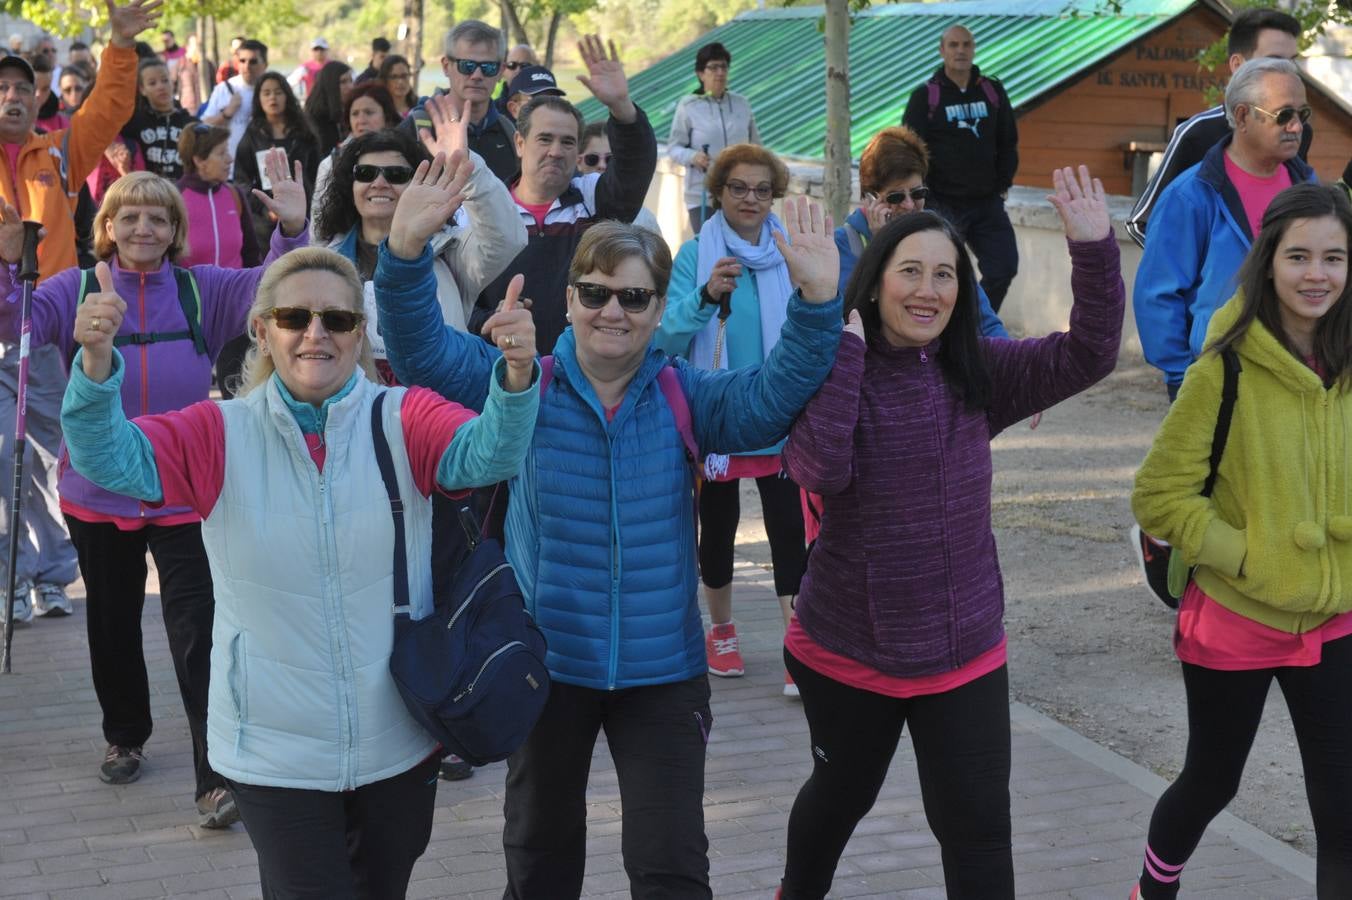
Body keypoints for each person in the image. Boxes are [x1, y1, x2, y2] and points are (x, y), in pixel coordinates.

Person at [375, 143, 844, 898]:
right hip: (546, 668)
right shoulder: (519, 382)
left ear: (660, 309)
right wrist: (401, 254)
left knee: (671, 869)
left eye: (633, 298)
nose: (612, 312)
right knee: (539, 861)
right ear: (570, 302)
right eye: (595, 294)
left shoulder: (686, 393)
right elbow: (420, 351)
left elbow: (774, 393)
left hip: (664, 675)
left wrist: (819, 306)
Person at [58, 195, 540, 894]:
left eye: (337, 319)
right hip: (271, 750)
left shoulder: (404, 416)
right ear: (262, 331)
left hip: (397, 737)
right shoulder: (218, 432)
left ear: (358, 330)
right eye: (294, 318)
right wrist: (97, 366)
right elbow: (110, 459)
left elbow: (485, 455)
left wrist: (516, 378)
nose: (316, 333)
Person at [775, 166, 1123, 899]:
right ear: (874, 282)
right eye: (910, 272)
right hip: (849, 650)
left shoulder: (979, 371)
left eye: (945, 275)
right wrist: (845, 350)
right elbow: (817, 470)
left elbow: (1088, 355)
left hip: (963, 653)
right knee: (839, 802)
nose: (928, 289)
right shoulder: (836, 366)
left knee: (978, 834)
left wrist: (1094, 250)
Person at [0, 154, 308, 825]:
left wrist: (291, 229)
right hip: (97, 492)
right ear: (106, 226)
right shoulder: (71, 287)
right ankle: (125, 735)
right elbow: (13, 325)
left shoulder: (203, 290)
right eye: (129, 215)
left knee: (200, 634)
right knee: (111, 627)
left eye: (158, 217)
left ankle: (217, 776)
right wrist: (3, 265)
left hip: (182, 491)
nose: (144, 227)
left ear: (174, 230)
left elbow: (280, 290)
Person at [1129, 182, 1352, 900]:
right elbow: (1158, 495)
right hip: (1238, 617)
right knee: (1212, 780)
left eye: (1334, 258)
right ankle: (1153, 890)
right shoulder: (1225, 361)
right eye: (1299, 257)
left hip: (1335, 616)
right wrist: (1243, 554)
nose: (1316, 274)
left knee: (1343, 807)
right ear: (1269, 261)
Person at [0, 0, 150, 625]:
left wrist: (119, 47)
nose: (12, 96)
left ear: (38, 100)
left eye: (22, 88)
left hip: (41, 336)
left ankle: (54, 577)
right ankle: (11, 579)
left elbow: (109, 108)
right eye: (1, 88)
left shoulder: (59, 154)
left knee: (48, 456)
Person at [654, 143, 810, 694]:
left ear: (775, 196)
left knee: (789, 530)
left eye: (762, 189)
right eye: (739, 188)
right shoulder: (696, 254)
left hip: (780, 414)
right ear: (718, 192)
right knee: (715, 530)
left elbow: (814, 323)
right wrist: (704, 294)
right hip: (717, 414)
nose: (751, 198)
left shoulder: (790, 252)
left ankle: (798, 640)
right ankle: (721, 629)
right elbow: (665, 335)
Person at [1133, 57, 1315, 400]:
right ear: (1243, 116)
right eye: (1284, 115)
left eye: (1302, 114)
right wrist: (1183, 375)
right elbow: (1157, 294)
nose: (1296, 127)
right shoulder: (1190, 196)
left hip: (1298, 372)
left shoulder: (1310, 190)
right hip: (1215, 377)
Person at [467, 34, 658, 356]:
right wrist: (487, 321)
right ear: (519, 143)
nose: (556, 151)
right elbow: (455, 295)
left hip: (578, 373)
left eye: (568, 142)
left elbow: (634, 169)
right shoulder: (484, 208)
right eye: (545, 139)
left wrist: (621, 108)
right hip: (495, 369)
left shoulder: (594, 200)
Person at [314, 120, 526, 380]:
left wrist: (467, 168)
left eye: (396, 175)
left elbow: (507, 237)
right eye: (366, 173)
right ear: (350, 184)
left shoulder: (449, 253)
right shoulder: (325, 261)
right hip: (352, 411)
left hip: (437, 410)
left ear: (420, 184)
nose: (379, 183)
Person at [1126, 8, 1307, 248]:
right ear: (1237, 64)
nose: (1288, 72)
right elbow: (1141, 223)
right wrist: (1192, 277)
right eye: (1274, 61)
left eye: (1292, 61)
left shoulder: (1300, 131)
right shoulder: (1198, 133)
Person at [837, 126, 1007, 337]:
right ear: (869, 199)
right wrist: (882, 247)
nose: (909, 205)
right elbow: (850, 323)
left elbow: (984, 320)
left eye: (918, 193)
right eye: (896, 197)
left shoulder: (941, 236)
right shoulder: (844, 244)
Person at [902, 24, 1020, 312]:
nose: (961, 50)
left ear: (973, 48)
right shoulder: (925, 97)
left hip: (986, 203)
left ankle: (977, 325)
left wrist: (1002, 183)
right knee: (941, 273)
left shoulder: (992, 91)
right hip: (942, 204)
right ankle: (946, 330)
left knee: (1004, 267)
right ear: (942, 51)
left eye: (966, 44)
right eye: (953, 45)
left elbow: (1008, 141)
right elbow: (909, 152)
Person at [404, 20, 518, 183]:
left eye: (488, 67)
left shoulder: (510, 132)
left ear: (501, 71)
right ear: (445, 66)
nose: (477, 75)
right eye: (467, 65)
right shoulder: (416, 128)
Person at [666, 42, 760, 234]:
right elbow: (674, 148)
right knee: (711, 253)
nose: (720, 72)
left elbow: (757, 148)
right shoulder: (689, 105)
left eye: (724, 67)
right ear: (701, 74)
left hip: (740, 194)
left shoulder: (741, 103)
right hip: (702, 195)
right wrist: (693, 157)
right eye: (713, 67)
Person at [234, 71, 320, 251]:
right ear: (259, 99)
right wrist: (266, 209)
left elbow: (317, 177)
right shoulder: (253, 135)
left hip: (305, 216)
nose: (273, 97)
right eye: (266, 93)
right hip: (266, 224)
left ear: (287, 96)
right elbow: (241, 181)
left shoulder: (304, 134)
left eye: (278, 92)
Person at [309, 81, 400, 221]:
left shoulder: (403, 157)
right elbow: (318, 217)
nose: (361, 120)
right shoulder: (332, 163)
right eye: (355, 114)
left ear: (386, 117)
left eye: (369, 112)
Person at [176, 123, 260, 269]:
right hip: (190, 291)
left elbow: (251, 253)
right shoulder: (174, 198)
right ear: (199, 160)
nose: (230, 159)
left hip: (235, 290)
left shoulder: (235, 194)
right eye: (222, 153)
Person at [122, 57, 198, 181]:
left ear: (172, 82)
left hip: (182, 193)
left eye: (165, 80)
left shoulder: (190, 123)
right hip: (148, 193)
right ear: (142, 89)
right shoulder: (135, 122)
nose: (161, 87)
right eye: (152, 83)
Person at [577, 120, 660, 233]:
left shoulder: (644, 218)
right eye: (592, 159)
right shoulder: (562, 211)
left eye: (610, 159)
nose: (602, 165)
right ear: (578, 162)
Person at [201, 37, 267, 175]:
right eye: (242, 61)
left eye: (253, 61)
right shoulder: (225, 88)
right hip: (230, 168)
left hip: (263, 168)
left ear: (265, 64)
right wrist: (227, 113)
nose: (247, 66)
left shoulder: (273, 89)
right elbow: (204, 124)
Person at [303, 59, 354, 159]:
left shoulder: (347, 110)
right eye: (343, 82)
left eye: (351, 81)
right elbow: (326, 153)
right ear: (330, 85)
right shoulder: (316, 117)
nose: (350, 86)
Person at [495, 42, 539, 116]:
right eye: (512, 65)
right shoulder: (491, 110)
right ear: (503, 71)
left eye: (525, 66)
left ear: (536, 69)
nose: (518, 71)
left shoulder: (547, 107)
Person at [378, 53, 418, 121]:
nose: (400, 82)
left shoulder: (419, 107)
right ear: (384, 80)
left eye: (404, 76)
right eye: (394, 77)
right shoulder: (379, 110)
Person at [291, 36, 329, 100]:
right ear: (312, 51)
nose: (319, 52)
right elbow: (289, 83)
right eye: (316, 49)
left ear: (327, 50)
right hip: (312, 102)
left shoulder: (334, 66)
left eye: (322, 49)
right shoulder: (304, 67)